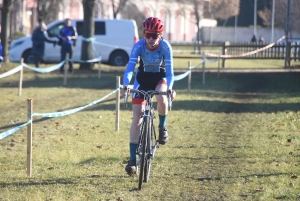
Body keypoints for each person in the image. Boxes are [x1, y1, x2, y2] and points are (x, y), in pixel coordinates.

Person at [121, 17, 176, 176]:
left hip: (159, 78)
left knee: (161, 97)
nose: (151, 39)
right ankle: (132, 161)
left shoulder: (165, 47)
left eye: (154, 35)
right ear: (144, 34)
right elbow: (130, 68)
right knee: (137, 118)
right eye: (148, 35)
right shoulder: (139, 45)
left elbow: (170, 72)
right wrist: (126, 84)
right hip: (142, 80)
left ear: (160, 35)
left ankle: (162, 127)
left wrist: (170, 88)